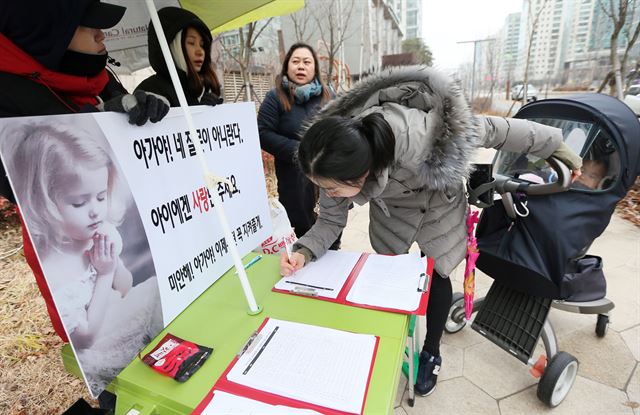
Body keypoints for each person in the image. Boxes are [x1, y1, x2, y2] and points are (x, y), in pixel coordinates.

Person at [280, 66, 583, 397]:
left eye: (332, 189)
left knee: (437, 277)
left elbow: (495, 129)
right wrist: (304, 250)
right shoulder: (331, 162)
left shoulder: (419, 134)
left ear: (361, 174)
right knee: (390, 279)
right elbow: (329, 221)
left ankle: (431, 351)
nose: (329, 193)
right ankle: (395, 342)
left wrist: (555, 146)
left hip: (438, 203)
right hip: (392, 212)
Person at [0, 0, 170, 345]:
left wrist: (146, 112)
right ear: (50, 33)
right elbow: (18, 182)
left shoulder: (97, 77)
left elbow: (125, 112)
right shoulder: (7, 96)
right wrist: (92, 129)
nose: (102, 34)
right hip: (65, 250)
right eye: (88, 23)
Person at [6, 123, 162, 393]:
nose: (94, 211)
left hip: (136, 326)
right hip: (105, 352)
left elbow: (125, 286)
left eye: (101, 197)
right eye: (79, 203)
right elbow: (86, 338)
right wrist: (103, 275)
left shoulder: (102, 233)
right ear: (44, 204)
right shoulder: (56, 265)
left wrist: (113, 268)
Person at [258, 43, 338, 244]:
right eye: (295, 61)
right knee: (301, 235)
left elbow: (343, 127)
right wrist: (300, 151)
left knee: (331, 233)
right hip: (293, 179)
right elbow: (262, 132)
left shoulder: (329, 95)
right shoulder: (275, 97)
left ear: (315, 69)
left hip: (329, 177)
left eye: (306, 62)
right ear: (287, 67)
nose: (301, 66)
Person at [136, 6, 223, 107]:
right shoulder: (151, 91)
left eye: (202, 45)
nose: (200, 52)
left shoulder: (204, 88)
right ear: (172, 46)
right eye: (191, 42)